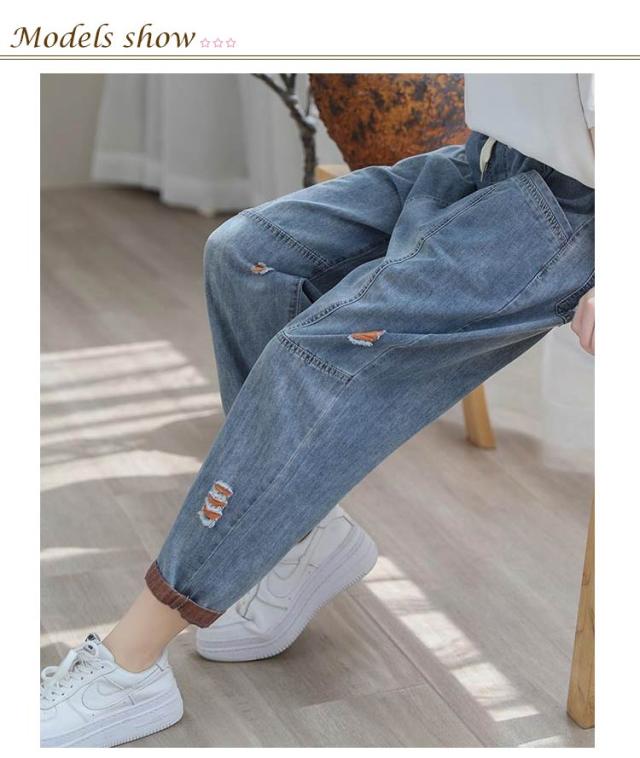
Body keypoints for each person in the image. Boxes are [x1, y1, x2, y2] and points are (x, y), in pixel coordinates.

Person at [40, 73, 595, 747]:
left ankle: (131, 667)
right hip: (489, 162)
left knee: (314, 357)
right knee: (248, 256)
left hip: (576, 214)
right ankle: (301, 541)